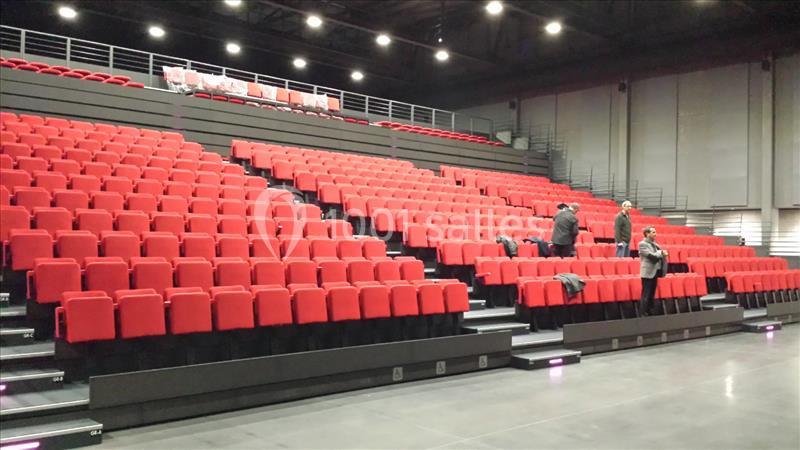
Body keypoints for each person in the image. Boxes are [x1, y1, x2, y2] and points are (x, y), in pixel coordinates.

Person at [638, 226, 668, 316]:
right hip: (647, 273)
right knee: (646, 295)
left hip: (654, 272)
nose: (656, 234)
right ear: (647, 234)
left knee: (651, 294)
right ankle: (642, 313)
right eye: (653, 232)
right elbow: (652, 256)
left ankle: (649, 312)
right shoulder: (642, 244)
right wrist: (661, 253)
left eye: (655, 232)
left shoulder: (655, 244)